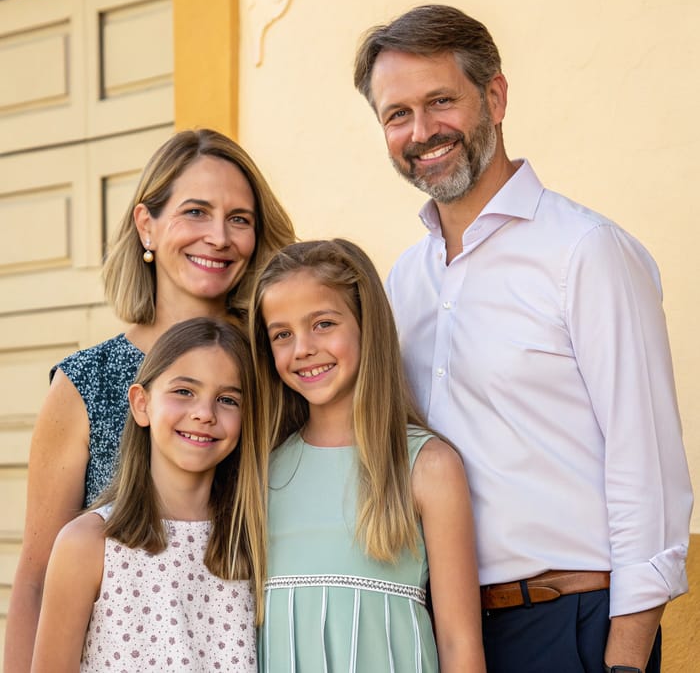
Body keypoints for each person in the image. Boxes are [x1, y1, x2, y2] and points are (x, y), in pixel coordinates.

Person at [353, 4, 693, 673]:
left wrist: (623, 660)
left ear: (496, 97)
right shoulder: (405, 280)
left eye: (441, 101)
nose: (422, 132)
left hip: (571, 626)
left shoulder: (586, 252)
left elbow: (646, 469)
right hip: (447, 636)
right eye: (397, 115)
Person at [5, 128, 295, 672]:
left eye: (239, 219)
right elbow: (38, 578)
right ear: (148, 226)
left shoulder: (278, 371)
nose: (219, 237)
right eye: (195, 212)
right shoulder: (84, 383)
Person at [249, 238, 485, 672]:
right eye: (282, 334)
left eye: (322, 324)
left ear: (366, 324)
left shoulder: (428, 466)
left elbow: (459, 642)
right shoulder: (259, 472)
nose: (302, 348)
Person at [30, 317, 264, 672]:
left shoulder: (250, 543)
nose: (204, 413)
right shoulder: (88, 544)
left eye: (228, 399)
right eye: (184, 391)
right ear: (141, 404)